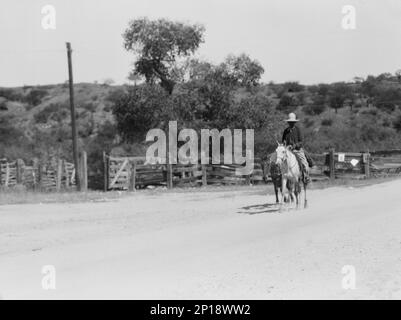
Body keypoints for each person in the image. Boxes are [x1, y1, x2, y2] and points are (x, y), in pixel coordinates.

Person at [282, 113, 312, 184]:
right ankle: (280, 175)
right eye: (290, 122)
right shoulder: (286, 131)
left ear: (294, 122)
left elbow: (301, 141)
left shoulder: (298, 130)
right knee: (280, 160)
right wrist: (285, 144)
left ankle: (306, 176)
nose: (291, 123)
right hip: (288, 150)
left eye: (292, 122)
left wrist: (294, 145)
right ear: (288, 122)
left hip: (297, 150)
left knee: (304, 162)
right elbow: (283, 140)